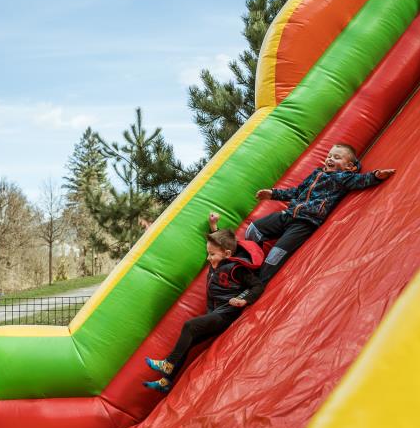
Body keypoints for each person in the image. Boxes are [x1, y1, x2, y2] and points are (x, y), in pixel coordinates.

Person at [142, 213, 264, 393]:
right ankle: (166, 381)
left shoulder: (236, 268)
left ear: (227, 254)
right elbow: (221, 243)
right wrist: (214, 226)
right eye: (208, 254)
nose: (208, 258)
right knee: (189, 341)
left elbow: (257, 285)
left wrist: (243, 300)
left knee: (189, 326)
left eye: (211, 255)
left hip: (225, 315)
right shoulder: (219, 259)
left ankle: (168, 364)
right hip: (214, 314)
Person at [246, 144, 394, 287]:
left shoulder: (343, 178)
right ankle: (250, 263)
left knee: (275, 254)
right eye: (329, 156)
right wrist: (273, 194)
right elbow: (297, 191)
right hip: (289, 214)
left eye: (336, 157)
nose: (330, 159)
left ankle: (256, 286)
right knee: (253, 229)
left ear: (349, 166)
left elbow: (361, 180)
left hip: (305, 223)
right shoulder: (316, 173)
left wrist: (376, 175)